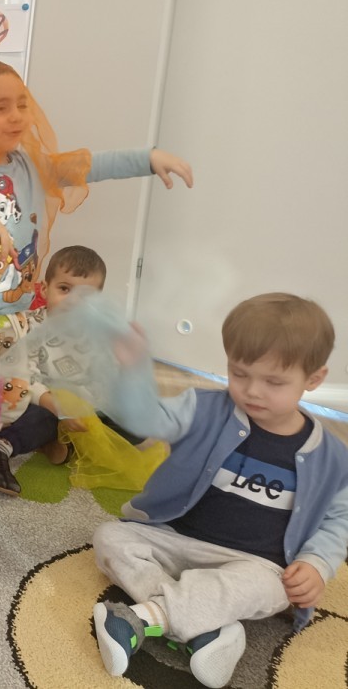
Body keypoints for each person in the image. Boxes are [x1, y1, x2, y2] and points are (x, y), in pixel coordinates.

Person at [0, 61, 193, 490]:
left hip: (12, 311)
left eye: (21, 105)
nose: (16, 116)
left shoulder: (30, 166)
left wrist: (148, 158)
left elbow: (89, 165)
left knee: (14, 390)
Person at [90, 293, 347, 689]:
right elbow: (146, 418)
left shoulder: (333, 457)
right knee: (110, 537)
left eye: (273, 382)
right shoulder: (203, 408)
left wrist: (317, 563)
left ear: (313, 379)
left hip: (253, 564)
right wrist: (132, 372)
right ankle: (206, 628)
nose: (252, 391)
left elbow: (339, 519)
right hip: (176, 538)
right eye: (239, 373)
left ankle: (144, 619)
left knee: (274, 588)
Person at [0, 244, 111, 494]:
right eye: (65, 289)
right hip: (30, 400)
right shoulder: (28, 326)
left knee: (122, 421)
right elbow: (20, 375)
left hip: (72, 406)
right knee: (41, 416)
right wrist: (55, 405)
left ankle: (50, 442)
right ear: (44, 289)